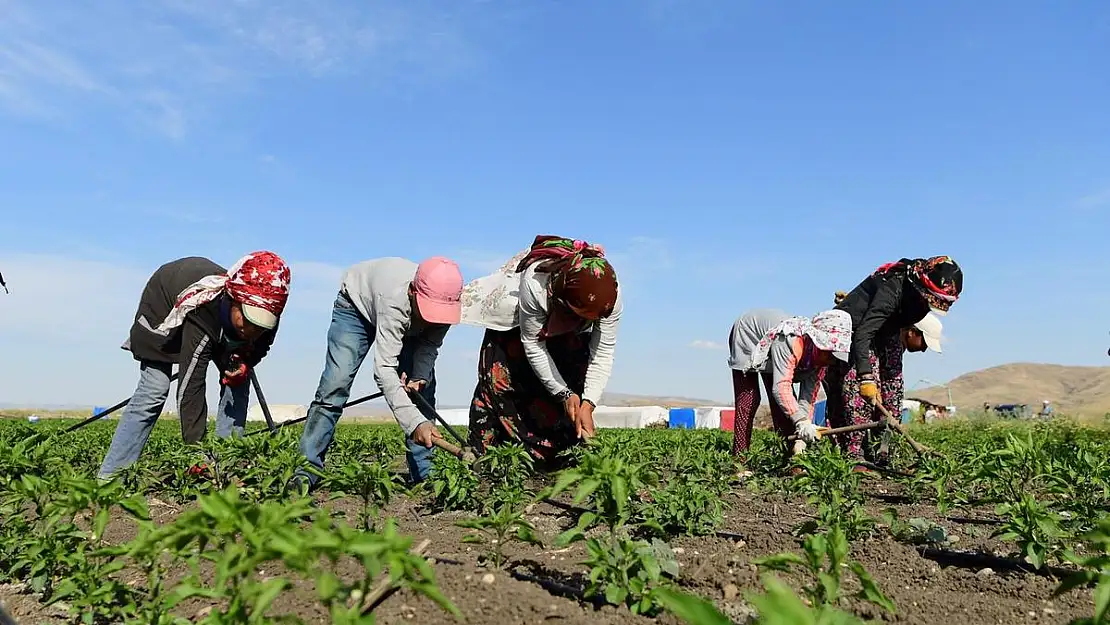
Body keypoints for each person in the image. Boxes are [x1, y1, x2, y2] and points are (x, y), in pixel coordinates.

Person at [97, 252, 291, 479]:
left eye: (260, 325)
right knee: (154, 389)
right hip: (165, 303)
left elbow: (260, 346)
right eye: (248, 320)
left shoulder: (268, 308)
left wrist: (245, 363)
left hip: (220, 324)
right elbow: (191, 385)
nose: (252, 330)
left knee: (237, 381)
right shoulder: (205, 309)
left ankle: (226, 464)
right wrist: (197, 451)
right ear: (233, 299)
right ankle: (110, 477)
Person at [290, 257, 464, 493]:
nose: (431, 318)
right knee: (335, 385)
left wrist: (419, 377)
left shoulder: (445, 302)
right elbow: (384, 369)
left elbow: (429, 346)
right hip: (356, 307)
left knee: (425, 391)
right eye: (428, 311)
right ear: (413, 292)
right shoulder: (395, 300)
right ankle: (304, 471)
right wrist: (414, 423)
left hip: (404, 317)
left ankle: (425, 476)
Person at [459, 235, 621, 466]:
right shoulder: (537, 282)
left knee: (572, 373)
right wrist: (562, 393)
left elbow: (602, 351)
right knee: (505, 379)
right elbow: (534, 345)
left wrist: (589, 401)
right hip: (518, 327)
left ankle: (556, 457)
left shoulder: (609, 298)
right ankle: (493, 456)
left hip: (560, 323)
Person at [824, 256, 963, 462]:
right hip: (859, 333)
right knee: (860, 390)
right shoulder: (892, 289)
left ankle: (884, 451)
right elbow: (863, 335)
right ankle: (856, 454)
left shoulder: (920, 299)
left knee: (893, 393)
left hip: (886, 332)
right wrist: (866, 376)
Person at [727, 309, 853, 467]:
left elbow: (807, 398)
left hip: (771, 345)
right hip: (748, 332)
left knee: (784, 408)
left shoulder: (822, 361)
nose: (832, 359)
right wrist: (801, 422)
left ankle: (791, 461)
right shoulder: (791, 340)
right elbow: (781, 387)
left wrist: (801, 436)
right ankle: (739, 461)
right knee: (749, 400)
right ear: (817, 341)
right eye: (830, 352)